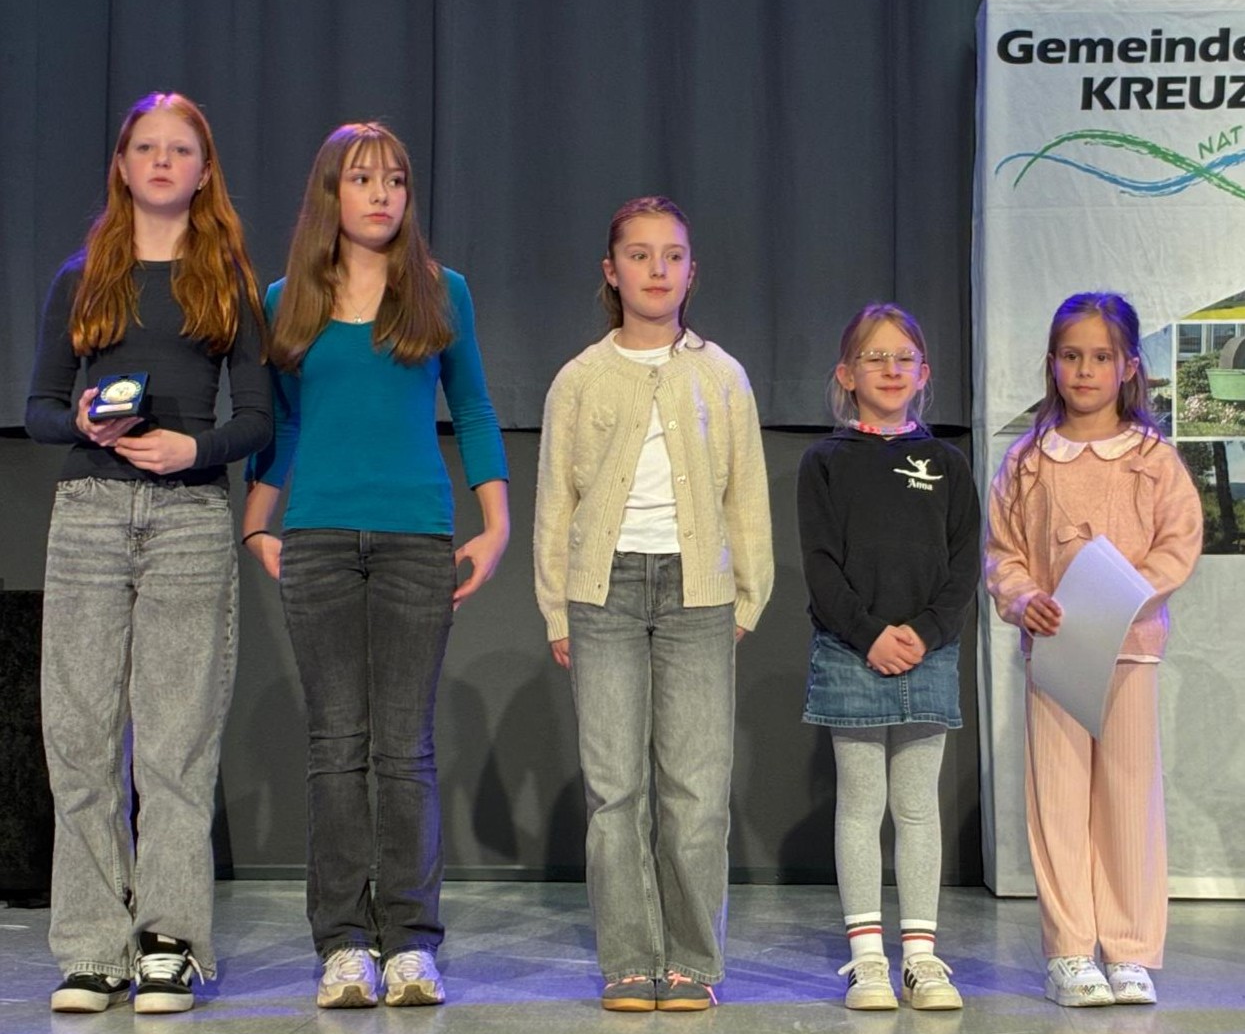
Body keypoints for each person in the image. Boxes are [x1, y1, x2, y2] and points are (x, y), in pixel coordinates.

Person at [242, 122, 509, 1010]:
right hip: (318, 540)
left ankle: (410, 944)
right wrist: (256, 520)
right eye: (362, 178)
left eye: (394, 178)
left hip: (414, 540)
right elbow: (284, 423)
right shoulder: (287, 298)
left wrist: (496, 523)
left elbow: (472, 407)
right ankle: (344, 944)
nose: (382, 193)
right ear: (331, 192)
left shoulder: (439, 291)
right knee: (335, 747)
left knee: (404, 748)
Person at [25, 92, 271, 1014]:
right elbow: (40, 407)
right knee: (81, 738)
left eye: (180, 150)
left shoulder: (227, 282)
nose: (162, 161)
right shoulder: (83, 277)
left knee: (175, 742)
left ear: (204, 173)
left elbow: (256, 418)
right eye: (146, 147)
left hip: (188, 517)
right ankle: (93, 946)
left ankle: (169, 941)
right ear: (123, 165)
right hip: (90, 513)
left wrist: (192, 448)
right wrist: (85, 421)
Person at [533, 195, 773, 1012]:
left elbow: (746, 496)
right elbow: (555, 504)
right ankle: (631, 958)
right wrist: (557, 609)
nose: (656, 269)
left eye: (671, 255)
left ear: (691, 271)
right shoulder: (579, 378)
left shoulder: (720, 374)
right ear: (611, 271)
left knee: (695, 790)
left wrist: (745, 596)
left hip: (696, 593)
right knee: (615, 789)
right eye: (638, 255)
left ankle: (693, 960)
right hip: (602, 592)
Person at [985, 292, 1201, 1007]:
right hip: (1055, 655)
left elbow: (1176, 544)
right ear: (1052, 363)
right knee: (1058, 800)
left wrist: (1121, 594)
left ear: (1128, 366)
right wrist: (1024, 599)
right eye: (1072, 356)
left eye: (1101, 357)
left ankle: (1129, 950)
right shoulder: (1027, 460)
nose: (1084, 370)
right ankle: (1071, 949)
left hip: (1129, 652)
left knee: (1128, 800)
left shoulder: (1152, 458)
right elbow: (1004, 554)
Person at [797, 304, 979, 1011]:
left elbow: (962, 565)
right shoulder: (824, 462)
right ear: (847, 374)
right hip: (851, 652)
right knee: (861, 803)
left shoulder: (948, 464)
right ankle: (868, 957)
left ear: (924, 373)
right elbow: (820, 566)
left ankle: (921, 959)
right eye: (874, 357)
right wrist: (869, 633)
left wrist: (926, 632)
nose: (891, 367)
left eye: (904, 356)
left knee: (917, 806)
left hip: (929, 653)